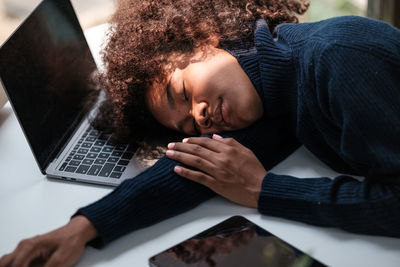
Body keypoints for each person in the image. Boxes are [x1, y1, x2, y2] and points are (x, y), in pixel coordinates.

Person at [1, 0, 400, 266]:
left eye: (183, 91)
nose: (201, 117)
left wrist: (265, 191)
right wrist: (83, 228)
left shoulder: (335, 61)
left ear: (206, 39)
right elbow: (196, 170)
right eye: (189, 126)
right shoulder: (272, 89)